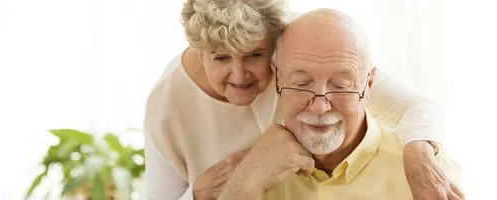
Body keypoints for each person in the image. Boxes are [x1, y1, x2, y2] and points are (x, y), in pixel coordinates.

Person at [144, 0, 461, 199]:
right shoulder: (167, 104)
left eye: (254, 55)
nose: (239, 76)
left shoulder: (306, 46)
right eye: (221, 58)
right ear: (201, 51)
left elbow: (412, 105)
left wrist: (418, 154)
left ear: (275, 58)